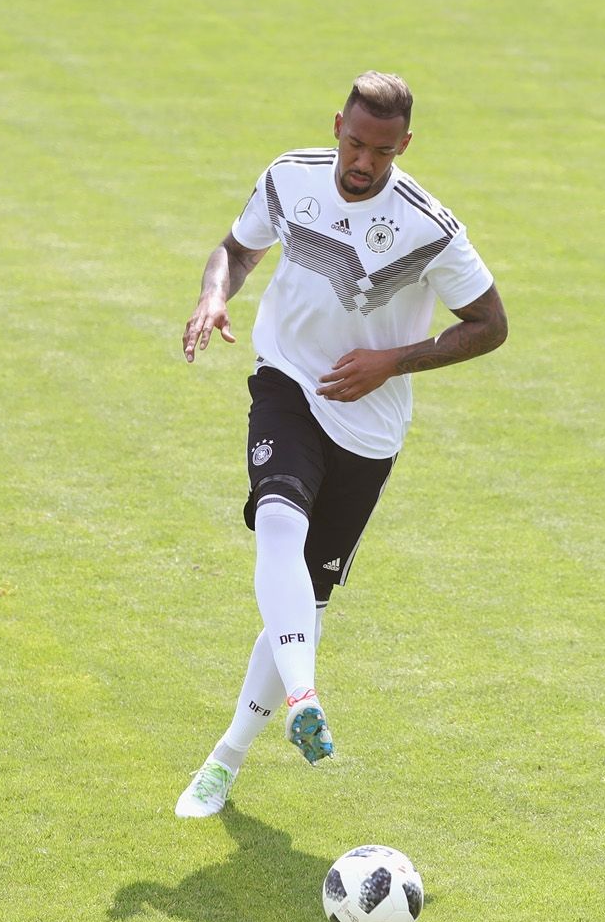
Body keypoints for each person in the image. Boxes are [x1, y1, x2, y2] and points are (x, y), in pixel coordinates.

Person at [173, 71, 507, 817]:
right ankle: (303, 696)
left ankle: (227, 756)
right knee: (278, 519)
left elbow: (491, 325)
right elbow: (235, 249)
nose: (363, 162)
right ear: (336, 126)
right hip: (288, 382)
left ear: (404, 146)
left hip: (368, 424)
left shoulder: (429, 228)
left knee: (308, 598)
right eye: (355, 143)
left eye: (381, 152)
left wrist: (392, 361)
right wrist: (213, 294)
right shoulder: (290, 178)